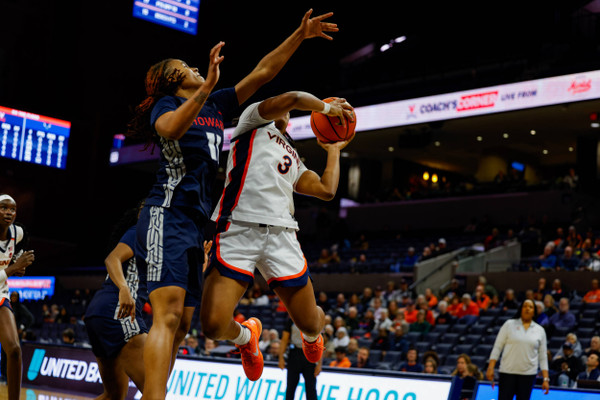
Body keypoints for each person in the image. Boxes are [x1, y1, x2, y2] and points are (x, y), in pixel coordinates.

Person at [128, 10, 339, 393]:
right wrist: (208, 84)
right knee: (173, 317)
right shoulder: (172, 106)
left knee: (183, 324)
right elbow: (170, 130)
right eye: (186, 67)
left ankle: (261, 337)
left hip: (203, 223)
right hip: (176, 212)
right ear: (173, 81)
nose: (195, 67)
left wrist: (300, 34)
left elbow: (264, 71)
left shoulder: (220, 109)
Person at [201, 89, 354, 379]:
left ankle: (313, 336)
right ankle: (246, 337)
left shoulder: (294, 156)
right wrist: (327, 109)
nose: (284, 108)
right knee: (212, 325)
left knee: (310, 323)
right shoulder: (252, 122)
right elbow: (294, 98)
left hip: (282, 236)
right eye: (279, 104)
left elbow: (326, 190)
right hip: (238, 228)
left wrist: (334, 150)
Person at [84, 202, 150, 398]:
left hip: (98, 313)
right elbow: (112, 259)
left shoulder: (157, 249)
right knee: (155, 390)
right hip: (118, 310)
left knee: (113, 396)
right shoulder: (139, 232)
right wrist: (124, 288)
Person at [0, 194, 35, 400]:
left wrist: (17, 263)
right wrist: (13, 268)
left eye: (12, 209)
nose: (9, 213)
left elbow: (20, 249)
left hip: (0, 295)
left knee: (14, 349)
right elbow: (10, 269)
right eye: (3, 208)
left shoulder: (17, 232)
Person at [487, 299, 550, 400]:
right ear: (521, 309)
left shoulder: (540, 330)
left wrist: (546, 379)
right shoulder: (509, 324)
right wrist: (491, 367)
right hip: (507, 372)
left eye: (530, 307)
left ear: (534, 312)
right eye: (525, 306)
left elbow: (543, 356)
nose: (527, 309)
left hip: (528, 375)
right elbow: (497, 347)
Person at [279, 318, 321, 400]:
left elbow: (319, 342)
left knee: (311, 388)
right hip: (294, 354)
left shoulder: (315, 318)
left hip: (310, 354)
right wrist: (281, 358)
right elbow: (284, 340)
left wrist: (319, 364)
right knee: (290, 387)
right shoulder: (292, 320)